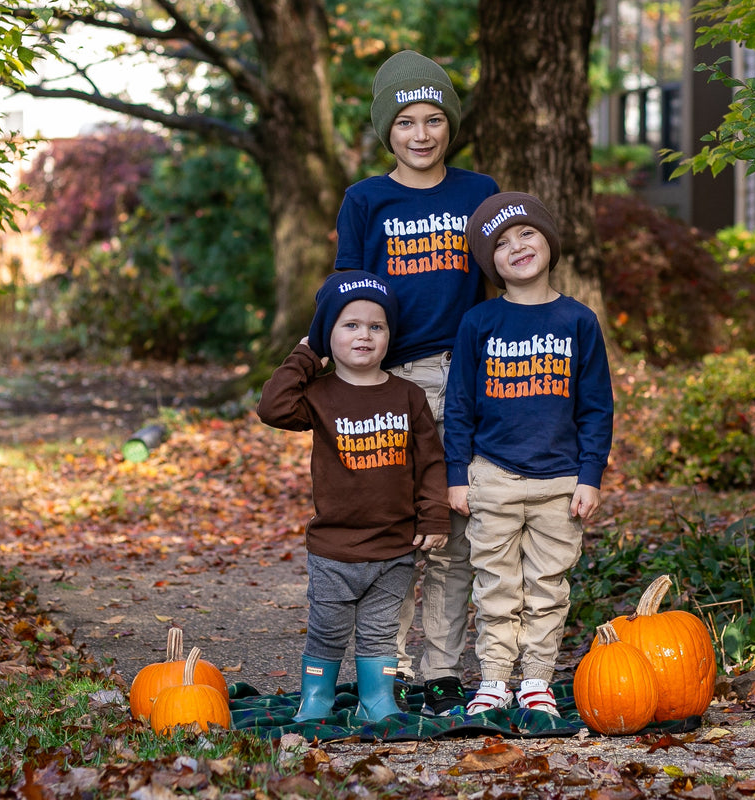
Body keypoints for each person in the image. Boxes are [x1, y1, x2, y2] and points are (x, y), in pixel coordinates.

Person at [333, 49, 500, 717]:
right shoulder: (366, 200)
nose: (423, 134)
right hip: (392, 380)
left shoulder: (477, 192)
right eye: (407, 122)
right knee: (397, 528)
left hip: (467, 378)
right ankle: (387, 666)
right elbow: (348, 294)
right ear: (388, 131)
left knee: (458, 526)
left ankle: (440, 670)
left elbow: (505, 284)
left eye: (435, 119)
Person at [444, 192, 614, 715]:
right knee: (496, 584)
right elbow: (460, 406)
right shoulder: (479, 323)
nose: (516, 247)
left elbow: (596, 407)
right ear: (489, 263)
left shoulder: (578, 321)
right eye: (500, 243)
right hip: (492, 475)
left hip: (560, 483)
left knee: (547, 586)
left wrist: (590, 477)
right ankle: (494, 679)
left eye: (526, 233)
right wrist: (457, 475)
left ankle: (537, 678)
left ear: (549, 242)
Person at [256, 271, 450, 723]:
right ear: (329, 335)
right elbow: (272, 406)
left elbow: (431, 462)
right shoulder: (320, 396)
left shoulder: (408, 395)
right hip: (334, 550)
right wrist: (307, 353)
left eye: (376, 326)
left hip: (393, 547)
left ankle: (377, 700)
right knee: (327, 631)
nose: (364, 334)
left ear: (389, 336)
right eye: (350, 324)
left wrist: (435, 517)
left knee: (380, 634)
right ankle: (317, 699)